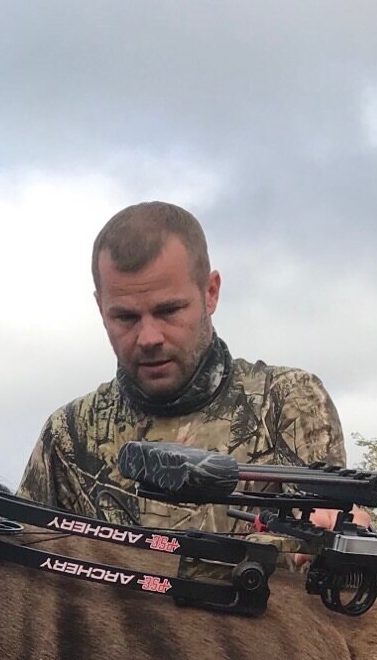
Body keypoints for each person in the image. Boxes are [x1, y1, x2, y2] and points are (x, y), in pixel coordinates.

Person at [19, 201, 349, 537]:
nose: (148, 337)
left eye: (168, 311)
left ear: (211, 293)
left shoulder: (286, 402)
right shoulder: (68, 435)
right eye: (125, 317)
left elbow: (332, 538)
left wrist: (335, 532)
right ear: (100, 308)